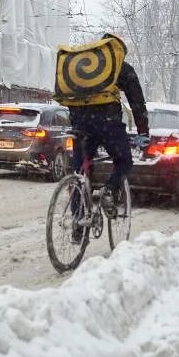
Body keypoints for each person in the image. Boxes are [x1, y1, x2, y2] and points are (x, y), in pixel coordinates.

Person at [66, 33, 149, 226]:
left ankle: (77, 223)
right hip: (107, 123)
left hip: (80, 124)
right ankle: (110, 190)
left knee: (80, 171)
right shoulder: (120, 66)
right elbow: (137, 102)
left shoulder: (83, 64)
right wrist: (143, 132)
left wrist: (77, 119)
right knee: (124, 160)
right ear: (119, 51)